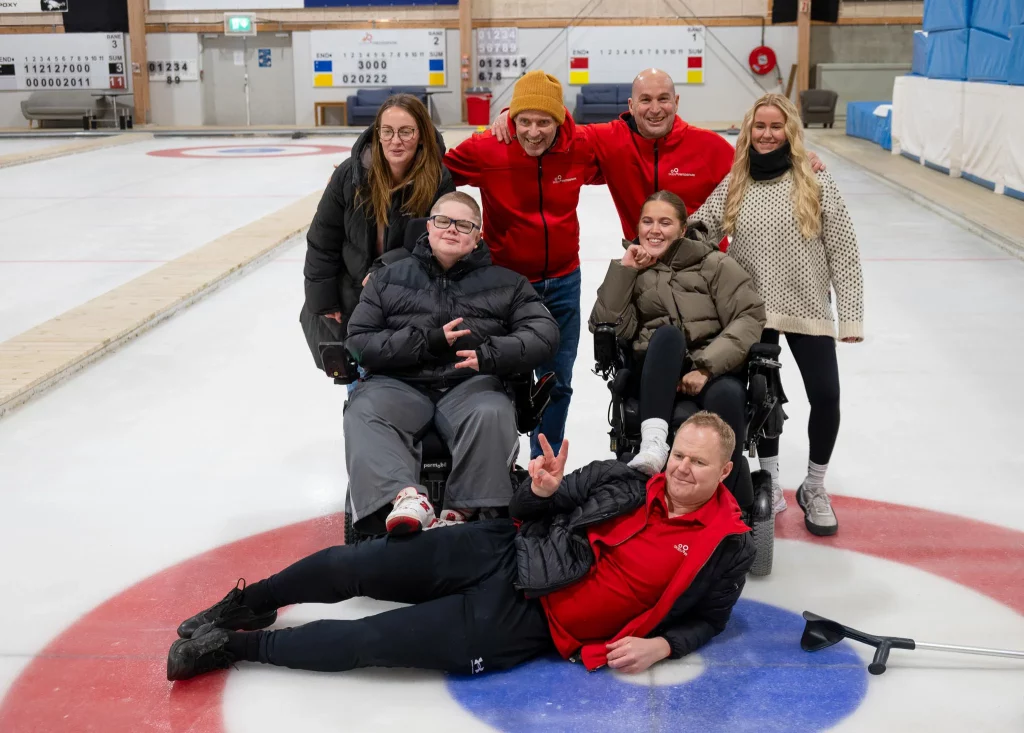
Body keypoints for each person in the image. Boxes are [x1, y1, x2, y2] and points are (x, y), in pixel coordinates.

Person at [166, 413, 755, 682]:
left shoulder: (727, 545)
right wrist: (540, 490)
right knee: (358, 562)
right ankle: (247, 602)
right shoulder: (622, 480)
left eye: (697, 462)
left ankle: (238, 647)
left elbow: (711, 618)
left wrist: (661, 644)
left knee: (372, 639)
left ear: (725, 471)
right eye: (677, 453)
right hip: (505, 549)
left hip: (528, 622)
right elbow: (528, 509)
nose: (680, 468)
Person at [688, 93, 864, 537]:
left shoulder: (815, 182)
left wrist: (852, 317)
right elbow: (701, 228)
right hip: (751, 310)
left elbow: (843, 253)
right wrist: (663, 233)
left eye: (776, 126)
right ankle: (771, 477)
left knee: (825, 394)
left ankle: (815, 486)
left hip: (806, 307)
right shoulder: (735, 182)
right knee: (763, 400)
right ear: (748, 131)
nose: (767, 134)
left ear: (790, 132)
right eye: (759, 126)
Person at [342, 192, 559, 534]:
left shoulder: (508, 283)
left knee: (492, 410)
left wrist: (491, 354)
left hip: (470, 385)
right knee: (363, 410)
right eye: (442, 221)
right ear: (428, 227)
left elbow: (544, 333)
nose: (451, 230)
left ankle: (465, 511)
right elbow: (359, 340)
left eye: (464, 225)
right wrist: (424, 341)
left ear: (478, 237)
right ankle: (407, 498)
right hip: (398, 385)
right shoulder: (387, 279)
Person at [444, 71, 600, 459]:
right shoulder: (487, 147)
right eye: (524, 120)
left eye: (543, 121)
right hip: (504, 287)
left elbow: (630, 145)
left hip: (563, 282)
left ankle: (540, 466)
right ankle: (494, 463)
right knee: (495, 379)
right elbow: (432, 175)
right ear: (511, 118)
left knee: (556, 381)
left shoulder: (580, 146)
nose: (533, 132)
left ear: (559, 120)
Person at [490, 68, 825, 242]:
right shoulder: (607, 140)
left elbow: (758, 171)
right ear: (631, 106)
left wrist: (795, 160)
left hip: (703, 266)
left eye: (664, 99)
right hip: (642, 260)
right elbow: (552, 127)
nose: (655, 109)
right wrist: (511, 112)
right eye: (645, 100)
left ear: (676, 103)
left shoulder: (709, 147)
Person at [590, 191, 765, 497]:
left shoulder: (714, 265)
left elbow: (749, 317)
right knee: (668, 335)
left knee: (728, 395)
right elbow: (605, 325)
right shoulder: (631, 271)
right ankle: (653, 445)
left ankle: (731, 501)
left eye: (665, 222)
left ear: (683, 229)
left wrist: (705, 368)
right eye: (647, 221)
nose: (654, 230)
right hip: (655, 371)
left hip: (713, 370)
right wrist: (626, 270)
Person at [300, 93, 454, 372]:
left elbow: (439, 243)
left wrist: (388, 266)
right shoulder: (350, 175)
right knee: (358, 383)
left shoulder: (437, 178)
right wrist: (323, 300)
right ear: (377, 134)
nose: (396, 140)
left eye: (406, 131)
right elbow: (323, 240)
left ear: (421, 135)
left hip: (405, 297)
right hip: (351, 297)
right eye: (388, 131)